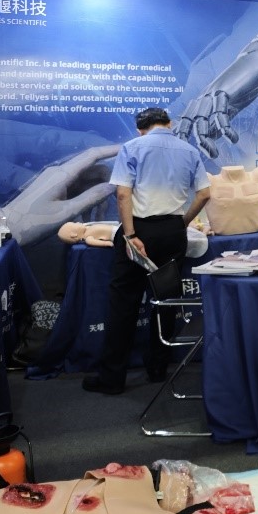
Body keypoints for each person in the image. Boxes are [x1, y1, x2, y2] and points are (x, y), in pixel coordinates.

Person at [83, 108, 211, 395]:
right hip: (173, 231)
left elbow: (122, 193)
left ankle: (112, 378)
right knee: (165, 299)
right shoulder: (189, 150)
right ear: (169, 123)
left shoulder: (132, 147)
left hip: (138, 230)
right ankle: (157, 368)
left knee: (123, 303)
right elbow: (205, 194)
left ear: (141, 129)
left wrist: (130, 235)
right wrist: (183, 222)